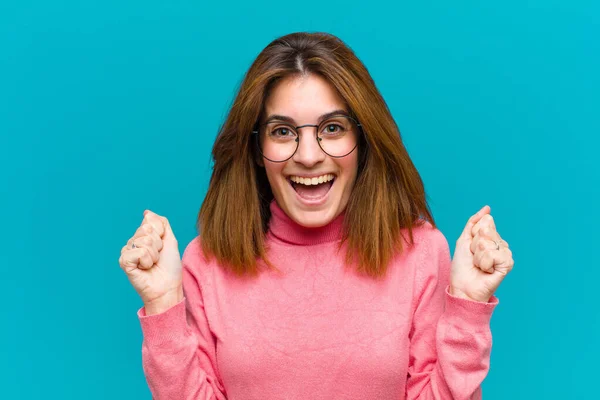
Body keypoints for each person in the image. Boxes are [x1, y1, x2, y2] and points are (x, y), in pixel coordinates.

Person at [118, 32, 514, 400]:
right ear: (257, 148)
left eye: (333, 128)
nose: (308, 156)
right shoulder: (207, 261)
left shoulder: (421, 253)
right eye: (283, 132)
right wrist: (163, 303)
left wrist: (467, 307)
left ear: (362, 140)